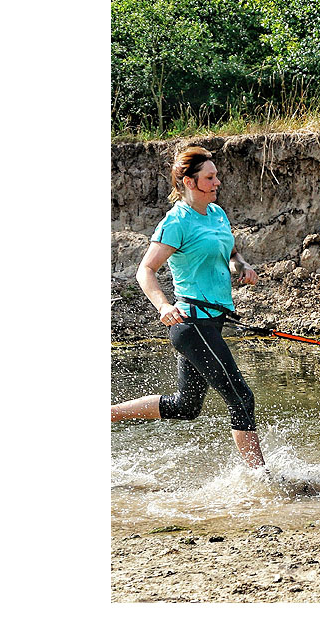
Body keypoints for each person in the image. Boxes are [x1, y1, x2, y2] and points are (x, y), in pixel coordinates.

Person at [111, 145, 265, 468]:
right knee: (241, 397)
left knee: (186, 406)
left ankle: (107, 415)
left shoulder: (217, 213)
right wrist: (163, 306)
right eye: (210, 177)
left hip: (214, 322)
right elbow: (145, 270)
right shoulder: (176, 222)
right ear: (189, 182)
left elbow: (230, 252)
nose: (217, 182)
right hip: (191, 324)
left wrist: (241, 266)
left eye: (216, 176)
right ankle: (261, 479)